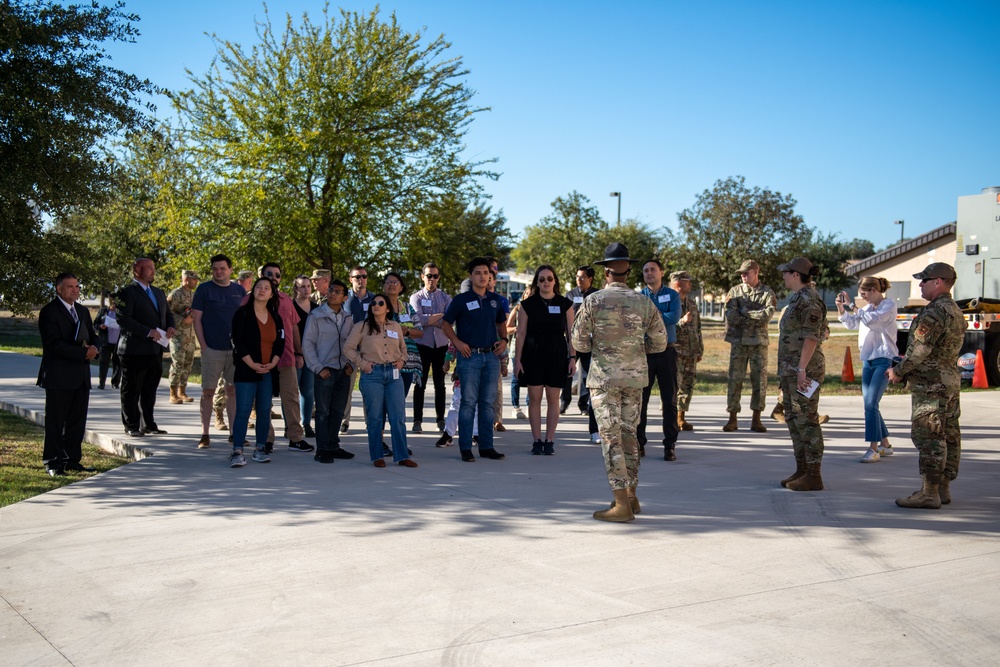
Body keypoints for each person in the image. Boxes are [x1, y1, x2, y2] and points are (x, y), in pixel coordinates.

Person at [571, 243, 666, 522]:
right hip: (634, 379)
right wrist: (634, 350)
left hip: (604, 379)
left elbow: (579, 342)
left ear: (606, 272)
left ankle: (621, 504)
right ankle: (633, 497)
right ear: (628, 271)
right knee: (629, 436)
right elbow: (660, 342)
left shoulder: (594, 301)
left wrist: (601, 345)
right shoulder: (644, 301)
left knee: (611, 438)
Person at [888, 263, 966, 509]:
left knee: (929, 436)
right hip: (949, 382)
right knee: (949, 434)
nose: (920, 284)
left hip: (931, 385)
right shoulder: (954, 309)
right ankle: (943, 487)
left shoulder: (934, 312)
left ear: (939, 282)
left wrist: (898, 371)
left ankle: (929, 493)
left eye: (924, 280)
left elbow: (919, 350)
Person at [442, 257, 508, 462]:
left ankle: (487, 446)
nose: (482, 276)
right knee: (468, 403)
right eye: (478, 273)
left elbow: (501, 324)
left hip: (491, 357)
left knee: (487, 403)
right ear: (471, 276)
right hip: (469, 356)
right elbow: (445, 324)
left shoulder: (496, 300)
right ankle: (465, 448)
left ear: (490, 276)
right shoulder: (461, 299)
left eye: (486, 273)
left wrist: (504, 340)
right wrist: (457, 342)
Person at [36, 272, 100, 476]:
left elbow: (92, 335)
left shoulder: (81, 310)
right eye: (70, 286)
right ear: (59, 289)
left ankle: (72, 459)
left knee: (76, 421)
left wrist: (95, 348)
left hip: (80, 376)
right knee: (56, 421)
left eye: (77, 286)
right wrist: (83, 353)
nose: (75, 290)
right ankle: (53, 462)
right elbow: (53, 344)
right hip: (58, 375)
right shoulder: (49, 312)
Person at [344, 293, 418, 468]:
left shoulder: (395, 326)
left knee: (398, 417)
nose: (376, 305)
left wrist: (401, 361)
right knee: (375, 418)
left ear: (387, 308)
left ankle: (402, 455)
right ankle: (377, 455)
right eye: (373, 303)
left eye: (380, 303)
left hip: (393, 375)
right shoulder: (362, 326)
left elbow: (403, 348)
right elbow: (348, 348)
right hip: (372, 376)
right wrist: (363, 364)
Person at [776, 257, 828, 492]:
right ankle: (802, 469)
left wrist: (801, 370)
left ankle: (813, 475)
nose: (783, 276)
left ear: (795, 274)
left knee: (806, 421)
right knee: (794, 420)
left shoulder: (810, 299)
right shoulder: (797, 298)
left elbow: (811, 337)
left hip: (805, 370)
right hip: (791, 369)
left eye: (786, 273)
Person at [513, 265, 575, 455]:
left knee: (553, 399)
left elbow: (571, 334)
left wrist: (572, 357)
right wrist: (517, 360)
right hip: (533, 354)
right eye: (542, 279)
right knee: (534, 399)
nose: (546, 282)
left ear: (555, 281)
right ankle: (536, 440)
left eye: (549, 278)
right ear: (536, 282)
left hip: (557, 354)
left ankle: (549, 440)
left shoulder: (565, 304)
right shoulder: (527, 305)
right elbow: (521, 333)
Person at [836, 276, 898, 463]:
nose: (863, 298)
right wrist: (841, 308)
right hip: (868, 361)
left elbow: (874, 322)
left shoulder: (889, 306)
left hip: (884, 359)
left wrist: (854, 307)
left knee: (871, 404)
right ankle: (885, 445)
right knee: (871, 404)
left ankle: (873, 449)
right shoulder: (865, 309)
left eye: (864, 294)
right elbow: (852, 323)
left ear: (874, 290)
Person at [255, 263, 312, 453]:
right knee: (264, 401)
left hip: (286, 358)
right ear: (261, 275)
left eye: (277, 275)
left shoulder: (286, 299)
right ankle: (267, 439)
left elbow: (294, 327)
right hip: (261, 360)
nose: (273, 277)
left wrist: (299, 353)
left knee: (292, 398)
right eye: (268, 274)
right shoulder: (250, 300)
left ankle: (295, 438)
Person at [228, 277, 285, 467]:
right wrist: (252, 364)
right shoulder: (242, 314)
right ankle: (237, 451)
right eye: (258, 287)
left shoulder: (275, 317)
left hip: (268, 371)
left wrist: (273, 363)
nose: (262, 290)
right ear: (253, 291)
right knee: (243, 411)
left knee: (263, 411)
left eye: (266, 288)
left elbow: (280, 343)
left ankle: (260, 449)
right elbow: (238, 341)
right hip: (247, 370)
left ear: (271, 293)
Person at [192, 254, 247, 449]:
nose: (219, 272)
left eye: (222, 268)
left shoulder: (239, 291)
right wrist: (204, 346)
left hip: (234, 351)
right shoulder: (203, 290)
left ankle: (234, 434)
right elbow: (196, 319)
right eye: (215, 268)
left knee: (233, 391)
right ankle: (205, 434)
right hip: (212, 349)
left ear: (230, 270)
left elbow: (246, 319)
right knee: (208, 392)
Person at [116, 258, 176, 437]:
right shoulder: (126, 292)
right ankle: (131, 425)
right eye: (148, 268)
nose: (152, 271)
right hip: (134, 350)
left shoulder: (158, 292)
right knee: (132, 389)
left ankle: (148, 424)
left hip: (155, 350)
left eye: (153, 268)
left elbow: (168, 314)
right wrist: (147, 332)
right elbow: (123, 319)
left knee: (149, 389)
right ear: (137, 270)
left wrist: (170, 326)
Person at [302, 279, 356, 463]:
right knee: (323, 412)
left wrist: (351, 364)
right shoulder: (316, 315)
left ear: (345, 297)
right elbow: (307, 343)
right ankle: (322, 449)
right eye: (331, 290)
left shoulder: (348, 318)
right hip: (325, 371)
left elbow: (352, 344)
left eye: (337, 291)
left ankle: (334, 446)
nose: (333, 293)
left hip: (344, 371)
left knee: (338, 411)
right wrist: (318, 368)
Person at [723, 259, 777, 433]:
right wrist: (754, 315)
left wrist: (744, 311)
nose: (743, 276)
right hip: (738, 342)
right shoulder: (735, 291)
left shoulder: (767, 293)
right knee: (734, 380)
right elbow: (731, 316)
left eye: (746, 273)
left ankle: (757, 419)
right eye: (741, 273)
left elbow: (767, 315)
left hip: (758, 343)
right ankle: (732, 418)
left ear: (756, 272)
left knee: (759, 382)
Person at [638, 259, 682, 461]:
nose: (649, 273)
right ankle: (639, 443)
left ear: (661, 272)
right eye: (646, 270)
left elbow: (674, 317)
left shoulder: (672, 295)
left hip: (667, 352)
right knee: (641, 401)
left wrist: (650, 317)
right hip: (645, 353)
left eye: (653, 270)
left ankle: (670, 445)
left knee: (669, 400)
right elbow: (636, 320)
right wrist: (658, 316)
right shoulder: (638, 297)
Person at [410, 262, 452, 432]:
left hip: (441, 346)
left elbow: (449, 322)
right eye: (429, 276)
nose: (432, 279)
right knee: (420, 384)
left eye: (435, 276)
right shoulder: (416, 297)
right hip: (423, 345)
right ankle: (417, 420)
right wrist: (440, 317)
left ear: (438, 278)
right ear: (422, 277)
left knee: (440, 384)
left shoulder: (446, 298)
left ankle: (440, 419)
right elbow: (418, 320)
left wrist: (430, 319)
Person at [342, 265, 375, 433]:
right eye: (357, 277)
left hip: (369, 350)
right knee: (347, 386)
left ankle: (371, 422)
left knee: (368, 387)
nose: (361, 279)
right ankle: (344, 421)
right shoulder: (344, 299)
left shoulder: (375, 299)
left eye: (363, 276)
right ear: (351, 280)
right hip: (350, 350)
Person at [561, 265, 598, 414]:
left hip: (590, 341)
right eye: (577, 276)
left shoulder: (597, 295)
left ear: (590, 279)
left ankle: (583, 404)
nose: (578, 279)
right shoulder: (570, 295)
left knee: (586, 374)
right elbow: (563, 316)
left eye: (582, 277)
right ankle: (564, 402)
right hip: (572, 340)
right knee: (567, 372)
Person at [672, 271, 703, 432]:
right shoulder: (669, 302)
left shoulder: (691, 304)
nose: (690, 285)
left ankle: (681, 418)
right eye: (687, 282)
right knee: (673, 387)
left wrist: (699, 349)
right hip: (675, 352)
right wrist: (682, 322)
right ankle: (670, 419)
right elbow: (664, 326)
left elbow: (698, 328)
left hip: (690, 352)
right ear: (678, 284)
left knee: (687, 386)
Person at [384, 272, 424, 395]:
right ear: (383, 287)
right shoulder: (377, 305)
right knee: (384, 403)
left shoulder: (407, 307)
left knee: (400, 400)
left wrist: (406, 331)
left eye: (395, 282)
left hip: (407, 361)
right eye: (389, 282)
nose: (392, 285)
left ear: (401, 287)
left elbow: (419, 332)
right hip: (385, 360)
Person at [167, 269, 200, 404]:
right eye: (194, 279)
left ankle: (182, 391)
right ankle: (173, 393)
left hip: (190, 335)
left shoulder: (192, 295)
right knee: (177, 363)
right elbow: (166, 313)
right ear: (186, 279)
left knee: (188, 363)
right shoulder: (175, 294)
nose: (196, 281)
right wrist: (181, 320)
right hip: (178, 335)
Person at [293, 274, 317, 438]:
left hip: (312, 356)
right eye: (302, 286)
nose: (306, 289)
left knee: (308, 392)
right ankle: (291, 425)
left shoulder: (316, 308)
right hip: (294, 355)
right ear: (296, 288)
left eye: (308, 286)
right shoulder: (290, 306)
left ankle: (306, 424)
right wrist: (297, 353)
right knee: (291, 392)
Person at [488, 269, 511, 432]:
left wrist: (503, 347)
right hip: (477, 349)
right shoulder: (471, 298)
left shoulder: (500, 301)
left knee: (497, 387)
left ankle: (497, 419)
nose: (486, 280)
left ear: (494, 282)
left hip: (496, 347)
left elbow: (504, 326)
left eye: (490, 278)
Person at [505, 285, 532, 420]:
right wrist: (517, 328)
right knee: (516, 378)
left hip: (532, 349)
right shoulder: (517, 309)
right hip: (517, 349)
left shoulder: (537, 310)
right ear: (524, 295)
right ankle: (516, 406)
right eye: (527, 293)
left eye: (532, 294)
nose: (529, 296)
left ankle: (530, 405)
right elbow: (506, 329)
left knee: (531, 378)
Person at [95, 295, 121, 390]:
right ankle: (101, 382)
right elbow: (95, 324)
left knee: (117, 363)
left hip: (117, 342)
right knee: (103, 363)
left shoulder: (120, 313)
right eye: (112, 302)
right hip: (105, 342)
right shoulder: (103, 312)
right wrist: (100, 326)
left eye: (115, 303)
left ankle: (115, 382)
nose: (113, 305)